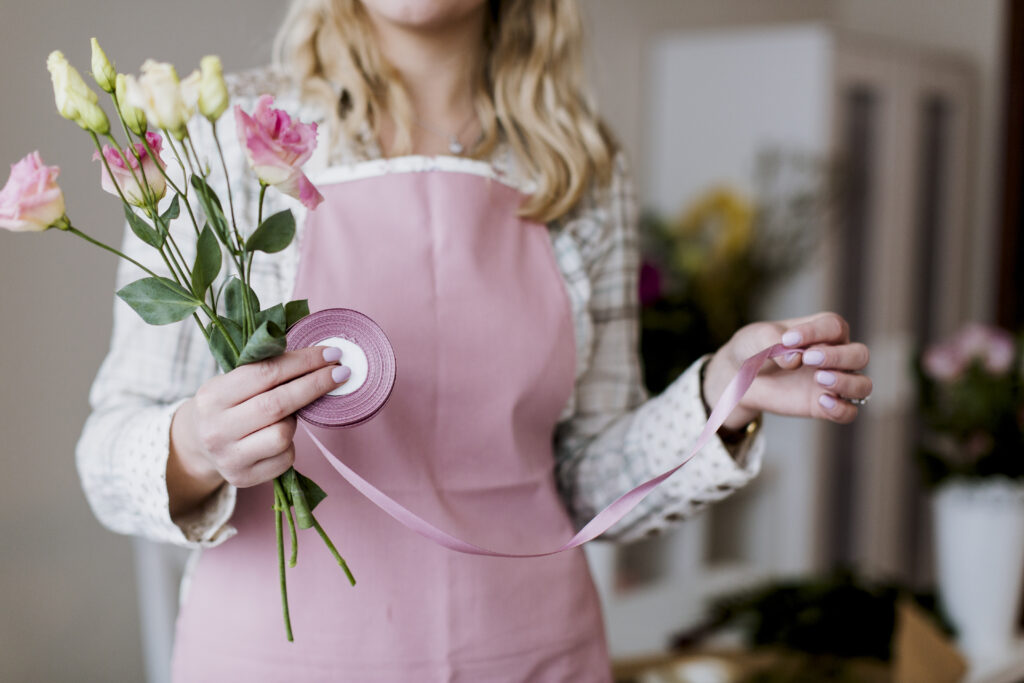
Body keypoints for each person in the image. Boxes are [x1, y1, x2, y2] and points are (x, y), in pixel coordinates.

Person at [76, 0, 872, 680]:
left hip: (531, 654)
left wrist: (716, 395)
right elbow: (107, 452)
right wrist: (194, 445)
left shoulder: (578, 166)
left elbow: (593, 478)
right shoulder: (212, 138)